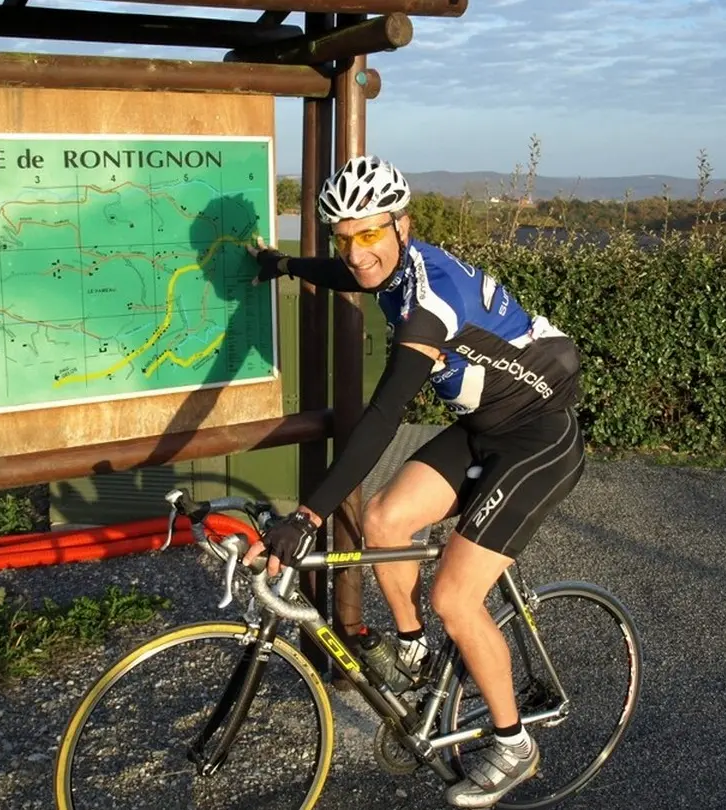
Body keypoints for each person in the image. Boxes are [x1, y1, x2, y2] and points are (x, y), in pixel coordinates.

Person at [241, 155, 586, 809]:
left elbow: (381, 418)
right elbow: (346, 273)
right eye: (344, 237)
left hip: (539, 440)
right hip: (483, 425)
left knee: (456, 598)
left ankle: (515, 745)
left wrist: (307, 516)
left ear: (404, 224)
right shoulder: (392, 266)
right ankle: (415, 650)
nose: (357, 252)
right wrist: (283, 265)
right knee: (384, 521)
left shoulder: (431, 300)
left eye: (370, 233)